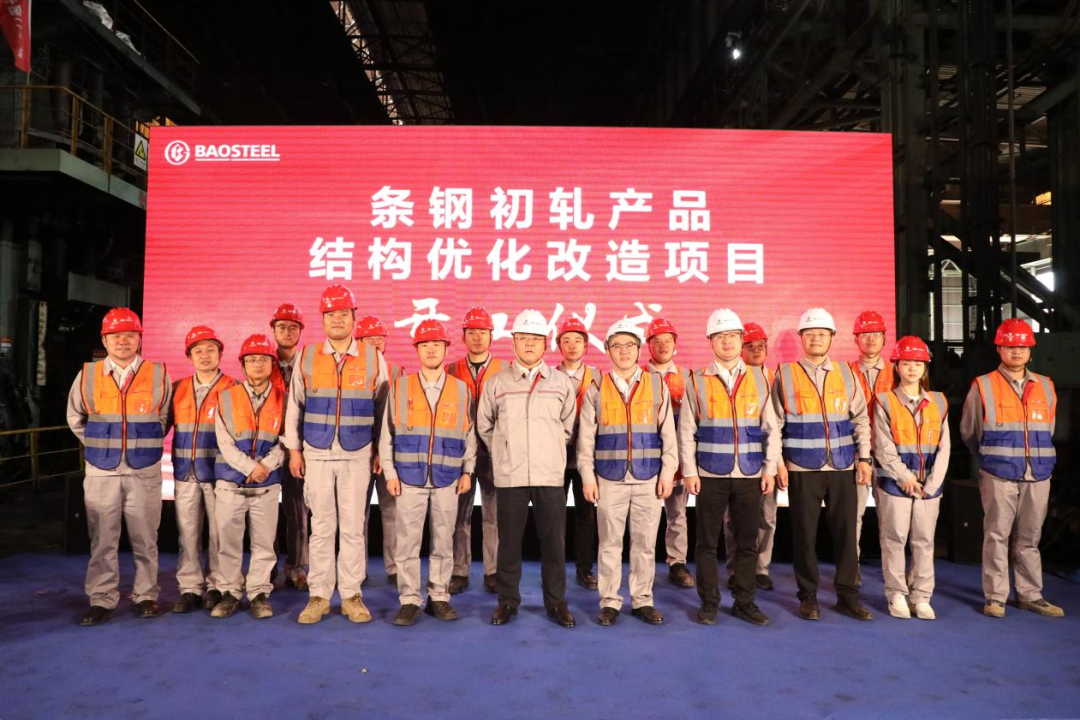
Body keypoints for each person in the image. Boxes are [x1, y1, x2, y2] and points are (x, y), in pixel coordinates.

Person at [284, 284, 390, 624]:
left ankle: (351, 595)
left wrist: (381, 451)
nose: (337, 320)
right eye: (331, 314)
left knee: (353, 528)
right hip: (316, 452)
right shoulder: (307, 356)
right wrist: (294, 450)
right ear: (323, 319)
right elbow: (294, 406)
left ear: (354, 318)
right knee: (321, 527)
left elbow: (384, 410)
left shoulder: (373, 357)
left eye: (343, 313)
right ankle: (318, 596)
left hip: (358, 453)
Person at [66, 307, 172, 626]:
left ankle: (146, 596)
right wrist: (102, 445)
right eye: (115, 336)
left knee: (145, 538)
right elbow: (75, 417)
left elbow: (164, 418)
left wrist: (139, 444)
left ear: (140, 338)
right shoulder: (87, 375)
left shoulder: (158, 374)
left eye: (129, 335)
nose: (123, 341)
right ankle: (102, 599)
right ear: (105, 340)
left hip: (143, 470)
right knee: (102, 540)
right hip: (102, 471)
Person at [768, 307, 874, 621]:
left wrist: (864, 457)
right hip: (802, 468)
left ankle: (847, 595)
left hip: (842, 466)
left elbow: (860, 419)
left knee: (846, 535)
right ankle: (808, 596)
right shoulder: (785, 374)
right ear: (802, 338)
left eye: (822, 333)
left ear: (831, 338)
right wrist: (778, 462)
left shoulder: (847, 373)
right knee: (804, 536)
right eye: (810, 333)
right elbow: (774, 424)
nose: (816, 338)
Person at [960, 318, 1064, 619]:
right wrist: (991, 458)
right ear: (999, 349)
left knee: (1030, 537)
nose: (1016, 351)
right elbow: (970, 431)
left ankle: (1030, 595)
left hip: (1038, 473)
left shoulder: (1046, 386)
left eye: (1022, 346)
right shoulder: (983, 385)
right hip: (998, 472)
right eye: (1009, 346)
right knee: (996, 535)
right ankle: (996, 597)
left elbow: (1049, 429)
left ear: (1030, 350)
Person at [480, 309, 578, 627]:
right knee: (509, 543)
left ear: (545, 343)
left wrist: (549, 451)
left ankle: (556, 603)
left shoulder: (561, 383)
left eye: (536, 338)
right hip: (511, 475)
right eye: (523, 338)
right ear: (513, 342)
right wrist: (505, 451)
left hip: (550, 475)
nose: (530, 344)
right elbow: (485, 426)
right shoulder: (497, 383)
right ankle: (507, 601)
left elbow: (567, 428)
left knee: (554, 543)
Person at [682, 310, 779, 626]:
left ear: (741, 340)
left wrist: (769, 469)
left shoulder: (760, 378)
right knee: (707, 544)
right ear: (710, 341)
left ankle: (744, 601)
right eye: (720, 336)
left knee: (747, 543)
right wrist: (690, 471)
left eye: (733, 336)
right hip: (710, 474)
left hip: (749, 473)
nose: (727, 342)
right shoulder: (697, 380)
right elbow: (686, 431)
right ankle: (709, 603)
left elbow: (771, 428)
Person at [577, 319, 676, 625]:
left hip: (648, 477)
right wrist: (588, 477)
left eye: (630, 345)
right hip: (609, 478)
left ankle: (643, 600)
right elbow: (585, 440)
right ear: (607, 350)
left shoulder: (657, 386)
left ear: (639, 349)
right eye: (617, 346)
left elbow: (668, 435)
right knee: (609, 544)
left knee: (645, 544)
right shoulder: (596, 388)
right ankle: (609, 601)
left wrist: (667, 473)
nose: (624, 351)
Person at [378, 320, 476, 626]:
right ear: (417, 350)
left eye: (436, 344)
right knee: (407, 542)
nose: (431, 349)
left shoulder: (461, 390)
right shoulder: (400, 387)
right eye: (424, 345)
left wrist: (468, 471)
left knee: (443, 540)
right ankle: (409, 599)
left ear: (446, 348)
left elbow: (469, 434)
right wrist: (390, 473)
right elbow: (386, 434)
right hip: (409, 477)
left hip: (448, 477)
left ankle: (439, 597)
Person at [873, 336, 950, 620]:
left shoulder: (939, 401)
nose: (912, 368)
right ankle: (896, 594)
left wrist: (933, 483)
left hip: (929, 487)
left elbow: (945, 446)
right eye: (906, 363)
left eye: (918, 363)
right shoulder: (884, 401)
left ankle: (922, 596)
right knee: (893, 539)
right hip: (895, 485)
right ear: (897, 366)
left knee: (924, 541)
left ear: (925, 367)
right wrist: (904, 477)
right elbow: (883, 446)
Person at [211, 334, 286, 619]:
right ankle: (230, 592)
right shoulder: (225, 398)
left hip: (267, 485)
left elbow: (287, 440)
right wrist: (249, 467)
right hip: (230, 483)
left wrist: (265, 466)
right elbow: (224, 442)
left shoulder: (284, 400)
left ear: (272, 364)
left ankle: (258, 593)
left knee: (264, 543)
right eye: (251, 360)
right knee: (227, 542)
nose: (257, 364)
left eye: (263, 359)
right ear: (242, 364)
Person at [169, 325, 235, 614]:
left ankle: (218, 586)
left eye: (211, 349)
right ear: (189, 356)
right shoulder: (177, 388)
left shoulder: (233, 388)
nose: (205, 355)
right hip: (186, 471)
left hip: (220, 474)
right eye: (198, 351)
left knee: (220, 534)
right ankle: (190, 588)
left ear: (220, 353)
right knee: (188, 533)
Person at [446, 307, 505, 594]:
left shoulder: (505, 370)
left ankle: (493, 571)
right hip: (460, 455)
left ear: (492, 336)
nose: (478, 337)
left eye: (483, 332)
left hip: (495, 454)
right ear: (463, 336)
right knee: (460, 517)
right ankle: (460, 570)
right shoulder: (450, 370)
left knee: (494, 517)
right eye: (472, 332)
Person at [724, 321, 785, 591]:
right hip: (737, 459)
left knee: (767, 516)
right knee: (733, 519)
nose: (757, 350)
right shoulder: (731, 377)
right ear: (741, 349)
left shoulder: (775, 378)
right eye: (751, 346)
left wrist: (777, 463)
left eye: (761, 346)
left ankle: (760, 568)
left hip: (768, 458)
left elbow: (777, 425)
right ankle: (735, 568)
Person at [645, 317, 695, 589]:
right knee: (645, 517)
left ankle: (677, 563)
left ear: (675, 344)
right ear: (648, 345)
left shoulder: (689, 378)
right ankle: (643, 566)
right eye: (657, 341)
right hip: (646, 460)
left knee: (677, 514)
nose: (663, 345)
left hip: (678, 460)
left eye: (668, 340)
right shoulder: (638, 376)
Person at [553, 316, 600, 589]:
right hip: (555, 457)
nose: (572, 346)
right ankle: (555, 569)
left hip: (588, 459)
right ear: (558, 344)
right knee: (554, 517)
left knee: (587, 516)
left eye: (578, 341)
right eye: (566, 340)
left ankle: (585, 569)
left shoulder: (599, 377)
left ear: (586, 345)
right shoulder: (549, 376)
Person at [356, 314, 402, 587]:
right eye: (368, 339)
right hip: (358, 453)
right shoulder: (350, 372)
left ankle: (394, 567)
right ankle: (356, 570)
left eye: (379, 338)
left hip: (390, 456)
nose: (375, 343)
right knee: (356, 515)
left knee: (392, 511)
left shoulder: (399, 373)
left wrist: (384, 453)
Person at [848, 310, 893, 587]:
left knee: (890, 519)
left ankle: (893, 573)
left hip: (890, 455)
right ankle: (850, 571)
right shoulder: (845, 372)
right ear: (856, 339)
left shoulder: (898, 371)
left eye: (876, 334)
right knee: (853, 516)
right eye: (865, 335)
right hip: (856, 454)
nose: (871, 339)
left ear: (884, 338)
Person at [269, 302, 309, 591]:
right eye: (281, 326)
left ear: (300, 331)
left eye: (293, 327)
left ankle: (297, 568)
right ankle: (267, 567)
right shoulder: (260, 360)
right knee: (266, 513)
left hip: (299, 449)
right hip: (268, 449)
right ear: (273, 330)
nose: (287, 332)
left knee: (298, 512)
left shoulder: (309, 364)